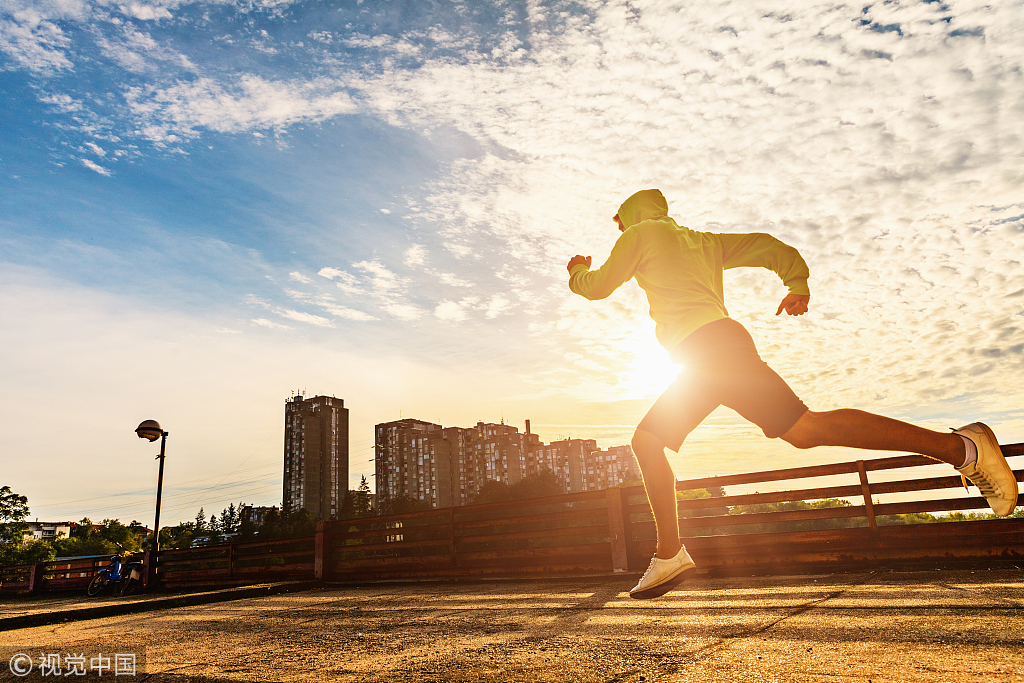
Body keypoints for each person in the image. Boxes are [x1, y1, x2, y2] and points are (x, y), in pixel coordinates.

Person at [566, 188, 1018, 600]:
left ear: (632, 215)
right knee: (783, 432)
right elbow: (767, 245)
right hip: (711, 353)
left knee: (800, 428)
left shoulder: (640, 234)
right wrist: (796, 282)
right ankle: (669, 554)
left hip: (709, 353)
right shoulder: (701, 241)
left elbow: (598, 286)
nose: (619, 229)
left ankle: (962, 447)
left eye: (620, 222)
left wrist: (578, 271)